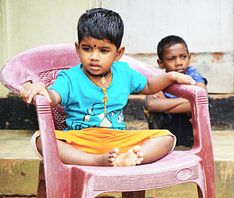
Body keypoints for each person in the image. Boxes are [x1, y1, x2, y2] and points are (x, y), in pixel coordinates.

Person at [19, 8, 195, 167]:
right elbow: (53, 96)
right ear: (77, 48)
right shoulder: (69, 77)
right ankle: (96, 161)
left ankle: (131, 157)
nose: (94, 57)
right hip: (81, 140)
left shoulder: (124, 73)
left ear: (118, 53)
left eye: (103, 51)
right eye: (87, 49)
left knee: (166, 138)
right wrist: (41, 89)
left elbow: (149, 85)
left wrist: (170, 76)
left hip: (118, 140)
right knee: (41, 140)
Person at [144, 35, 207, 147]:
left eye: (183, 57)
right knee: (154, 113)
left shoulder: (193, 75)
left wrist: (165, 105)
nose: (178, 62)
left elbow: (201, 99)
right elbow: (151, 104)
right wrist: (187, 102)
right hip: (167, 128)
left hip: (188, 128)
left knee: (205, 105)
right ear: (160, 63)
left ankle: (195, 145)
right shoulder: (159, 78)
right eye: (171, 59)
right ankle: (160, 145)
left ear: (189, 57)